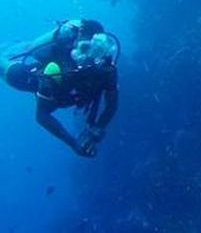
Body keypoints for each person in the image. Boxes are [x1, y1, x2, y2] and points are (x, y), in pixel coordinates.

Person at [0, 19, 119, 157]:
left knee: (20, 55)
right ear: (76, 43)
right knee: (13, 73)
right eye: (83, 48)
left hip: (66, 93)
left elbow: (111, 105)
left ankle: (16, 45)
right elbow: (42, 115)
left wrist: (96, 131)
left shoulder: (106, 70)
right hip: (37, 78)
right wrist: (73, 143)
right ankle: (11, 51)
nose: (86, 56)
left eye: (92, 50)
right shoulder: (57, 65)